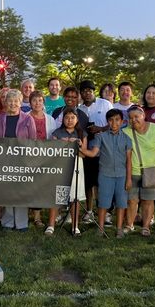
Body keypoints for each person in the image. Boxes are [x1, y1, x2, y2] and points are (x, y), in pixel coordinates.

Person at [0, 89, 36, 231]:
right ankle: (8, 222)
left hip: (22, 160)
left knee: (21, 190)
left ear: (21, 103)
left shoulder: (28, 119)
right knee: (7, 190)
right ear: (5, 102)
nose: (13, 104)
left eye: (16, 101)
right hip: (4, 160)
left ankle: (22, 223)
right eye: (10, 101)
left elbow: (33, 141)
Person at [81, 109, 132, 238]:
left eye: (117, 120)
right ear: (107, 121)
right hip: (105, 174)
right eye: (110, 120)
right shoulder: (101, 136)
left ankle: (119, 228)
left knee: (121, 203)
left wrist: (129, 179)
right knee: (103, 202)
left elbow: (129, 160)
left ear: (122, 122)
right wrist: (80, 148)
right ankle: (101, 227)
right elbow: (93, 153)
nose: (114, 123)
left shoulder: (127, 138)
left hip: (121, 175)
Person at [124, 106, 155, 236]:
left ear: (143, 116)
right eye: (131, 118)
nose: (134, 120)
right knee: (131, 200)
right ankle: (130, 224)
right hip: (133, 171)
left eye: (136, 117)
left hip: (151, 172)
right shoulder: (126, 132)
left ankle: (145, 226)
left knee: (148, 200)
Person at [46, 107, 87, 236]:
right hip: (60, 166)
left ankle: (75, 226)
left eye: (72, 118)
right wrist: (61, 143)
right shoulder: (57, 133)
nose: (69, 120)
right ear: (63, 119)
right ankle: (51, 225)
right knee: (57, 194)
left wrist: (78, 145)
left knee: (75, 197)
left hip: (76, 166)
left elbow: (84, 155)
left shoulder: (82, 134)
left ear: (77, 119)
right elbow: (51, 153)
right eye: (67, 118)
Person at [78, 80, 113, 224]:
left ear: (94, 91)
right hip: (87, 150)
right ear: (81, 93)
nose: (87, 93)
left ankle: (105, 213)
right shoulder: (79, 109)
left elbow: (113, 123)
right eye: (84, 91)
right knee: (89, 182)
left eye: (90, 91)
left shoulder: (105, 104)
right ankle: (89, 211)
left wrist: (100, 129)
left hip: (104, 149)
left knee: (103, 182)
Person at [28, 90, 58, 227]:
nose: (37, 103)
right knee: (31, 185)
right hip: (28, 156)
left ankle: (42, 215)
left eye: (40, 100)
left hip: (45, 156)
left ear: (43, 102)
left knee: (41, 185)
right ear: (30, 103)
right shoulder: (25, 117)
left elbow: (53, 138)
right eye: (34, 100)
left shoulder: (50, 119)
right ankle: (33, 214)